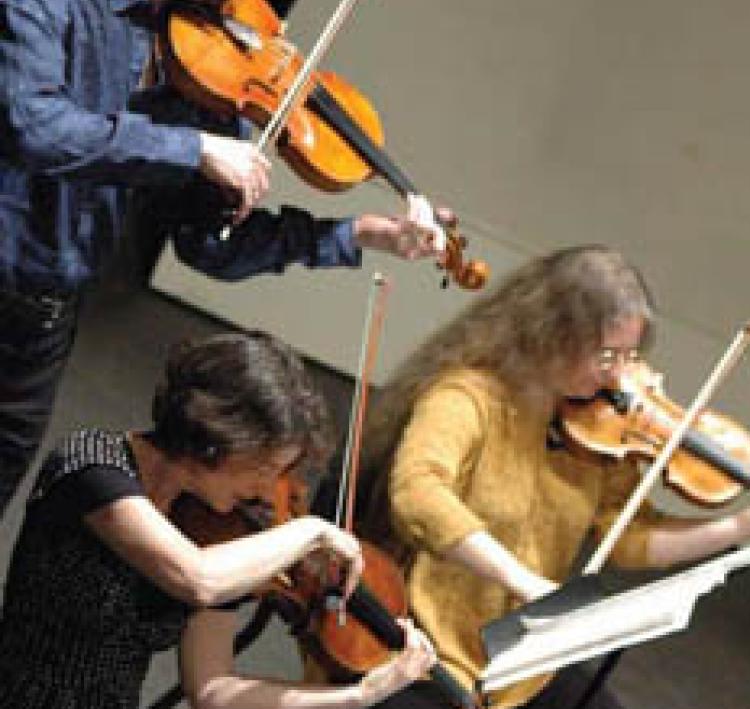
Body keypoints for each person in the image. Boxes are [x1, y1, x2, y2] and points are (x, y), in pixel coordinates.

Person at [0, 0, 453, 516]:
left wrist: (360, 234)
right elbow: (33, 125)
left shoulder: (214, 66)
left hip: (45, 318)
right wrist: (192, 149)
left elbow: (210, 245)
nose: (265, 26)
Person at [348, 245, 750, 709]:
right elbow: (420, 493)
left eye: (630, 356)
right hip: (428, 653)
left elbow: (631, 538)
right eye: (606, 356)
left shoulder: (599, 434)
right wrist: (523, 582)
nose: (620, 375)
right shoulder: (467, 398)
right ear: (552, 336)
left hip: (522, 666)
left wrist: (745, 526)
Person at [0, 331, 437, 709]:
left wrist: (357, 696)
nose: (270, 489)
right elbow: (197, 578)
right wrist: (311, 531)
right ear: (219, 440)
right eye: (265, 467)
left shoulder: (214, 529)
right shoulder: (92, 465)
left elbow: (212, 692)